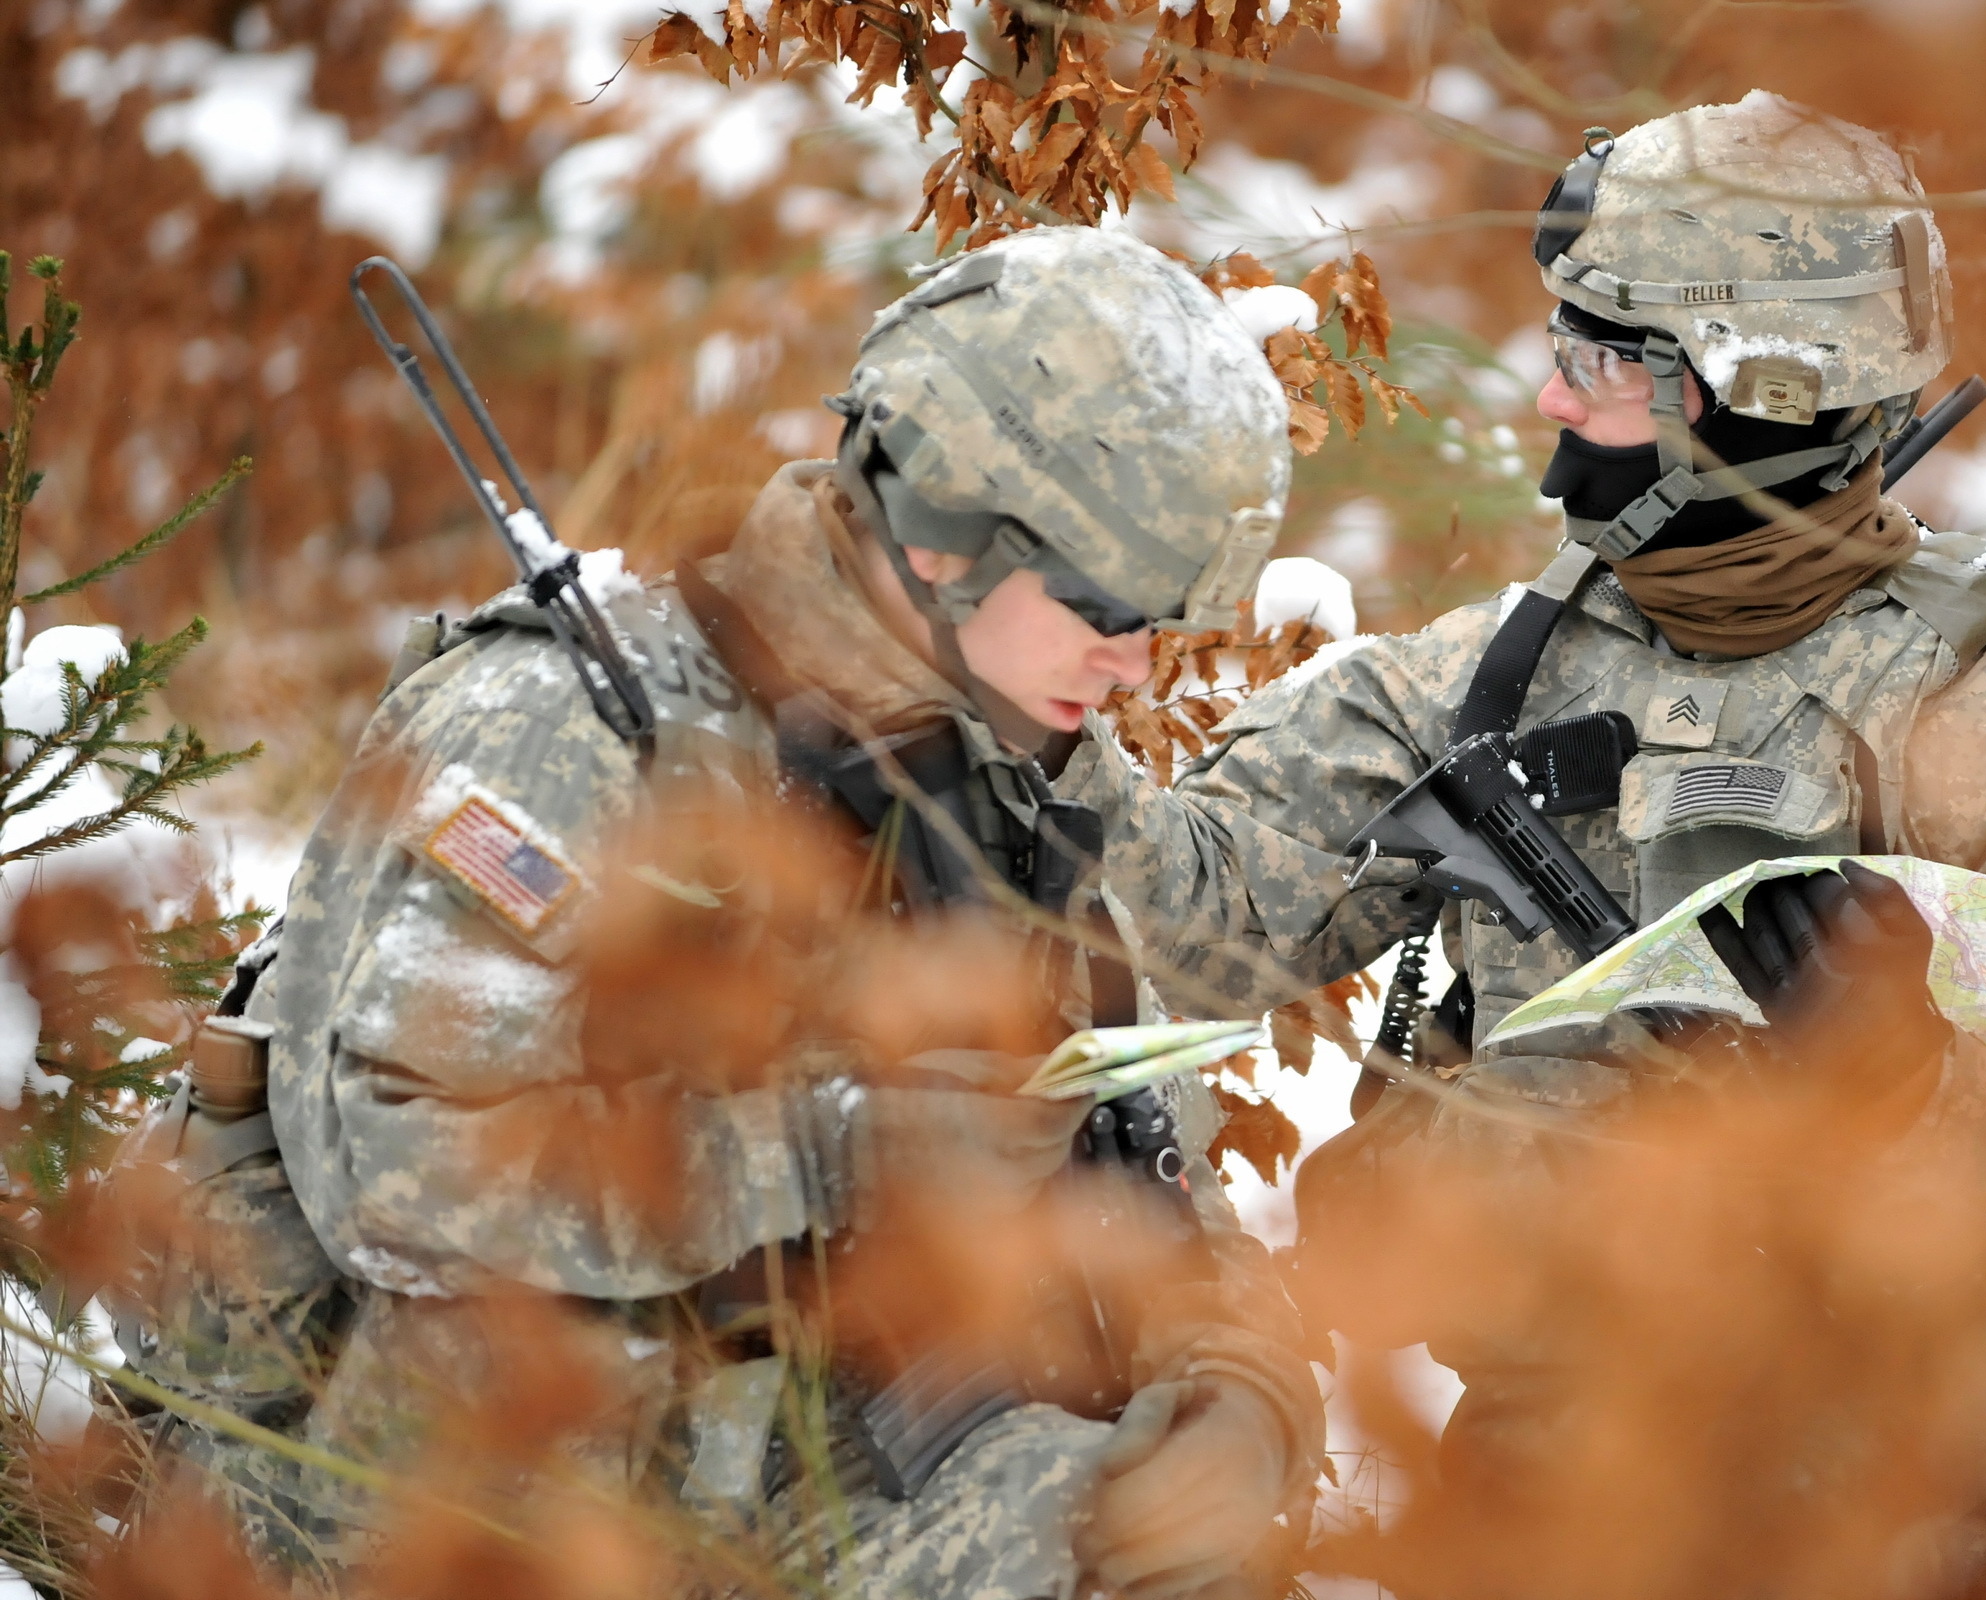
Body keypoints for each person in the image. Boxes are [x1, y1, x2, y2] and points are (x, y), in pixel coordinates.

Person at [1057, 95, 1986, 1523]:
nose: (1551, 399)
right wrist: (1025, 631)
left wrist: (1921, 1090)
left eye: (1600, 361)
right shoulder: (1500, 675)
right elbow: (1184, 912)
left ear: (1761, 388)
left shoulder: (1977, 720)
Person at [124, 226, 1323, 1600]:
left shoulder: (1019, 769)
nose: (1139, 663)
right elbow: (392, 1177)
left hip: (815, 1468)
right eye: (1110, 606)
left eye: (1167, 619)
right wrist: (831, 1156)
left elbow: (1135, 1124)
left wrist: (1243, 1378)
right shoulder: (557, 732)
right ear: (942, 536)